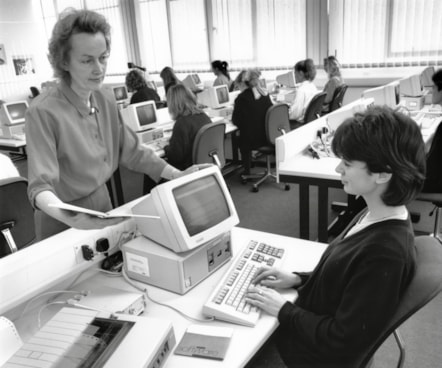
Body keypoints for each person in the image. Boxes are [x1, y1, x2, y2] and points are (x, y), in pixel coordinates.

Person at [245, 106, 426, 368]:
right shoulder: (376, 213)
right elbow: (345, 279)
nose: (338, 168)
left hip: (312, 357)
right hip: (310, 326)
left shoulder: (385, 254)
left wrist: (283, 310)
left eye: (348, 163)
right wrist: (299, 279)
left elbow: (342, 341)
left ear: (383, 173)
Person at [25, 9, 200, 241]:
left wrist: (176, 175)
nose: (99, 69)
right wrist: (71, 216)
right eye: (87, 60)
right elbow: (39, 187)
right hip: (61, 216)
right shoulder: (42, 111)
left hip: (101, 202)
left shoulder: (104, 97)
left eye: (103, 57)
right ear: (64, 61)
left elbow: (132, 152)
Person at [231, 69, 272, 177]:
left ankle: (246, 171)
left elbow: (236, 121)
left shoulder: (242, 98)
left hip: (254, 139)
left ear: (242, 83)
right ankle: (249, 165)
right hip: (268, 136)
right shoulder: (264, 94)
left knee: (240, 136)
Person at [164, 84, 211, 170]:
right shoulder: (204, 116)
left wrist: (165, 147)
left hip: (188, 169)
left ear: (173, 103)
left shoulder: (181, 123)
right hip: (206, 164)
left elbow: (176, 157)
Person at [289, 58, 318, 124]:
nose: (294, 76)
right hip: (310, 122)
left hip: (299, 124)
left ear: (301, 73)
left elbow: (294, 115)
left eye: (295, 73)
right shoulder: (312, 86)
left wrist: (286, 112)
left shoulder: (301, 90)